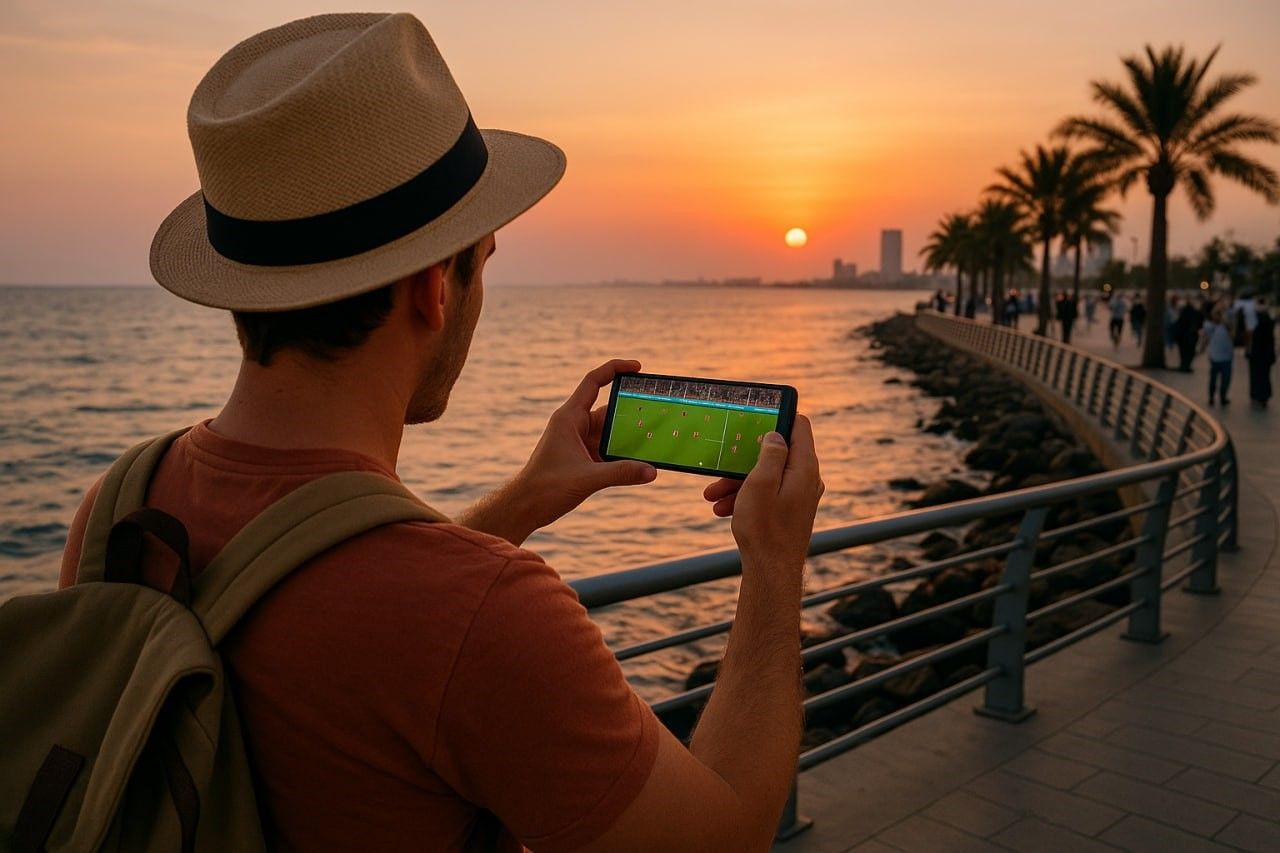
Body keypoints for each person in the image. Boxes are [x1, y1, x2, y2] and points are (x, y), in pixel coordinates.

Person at [57, 14, 824, 851]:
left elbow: (335, 623)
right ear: (433, 288)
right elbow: (725, 837)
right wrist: (776, 562)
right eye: (483, 260)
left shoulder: (117, 510)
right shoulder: (485, 612)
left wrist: (524, 498)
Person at [1203, 307, 1236, 405]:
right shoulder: (1209, 326)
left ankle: (1223, 396)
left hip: (1227, 357)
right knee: (1213, 379)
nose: (1217, 316)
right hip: (1215, 357)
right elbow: (1205, 339)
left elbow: (1233, 335)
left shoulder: (1226, 326)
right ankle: (1211, 397)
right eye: (1215, 314)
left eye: (1219, 314)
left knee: (1225, 379)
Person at [1248, 298, 1276, 408]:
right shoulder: (1268, 321)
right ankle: (1263, 397)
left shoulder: (1253, 321)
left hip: (1255, 354)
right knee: (1265, 376)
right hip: (1266, 355)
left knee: (1255, 376)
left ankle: (1256, 396)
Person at [1174, 297, 1203, 372]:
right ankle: (1186, 365)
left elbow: (1179, 323)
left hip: (1183, 336)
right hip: (1191, 336)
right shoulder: (1196, 313)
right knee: (1190, 352)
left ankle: (1183, 365)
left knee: (1183, 352)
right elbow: (1199, 323)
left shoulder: (1183, 312)